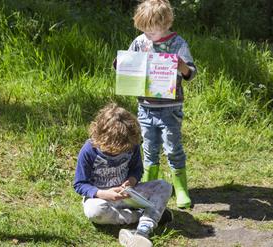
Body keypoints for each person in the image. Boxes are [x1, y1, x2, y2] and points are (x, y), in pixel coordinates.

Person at [125, 0, 197, 208]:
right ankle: (149, 185)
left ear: (166, 24)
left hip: (170, 109)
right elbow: (129, 65)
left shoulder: (178, 43)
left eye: (153, 29)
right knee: (149, 148)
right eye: (144, 29)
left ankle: (181, 188)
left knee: (173, 148)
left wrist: (182, 66)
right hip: (145, 107)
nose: (149, 34)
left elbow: (191, 73)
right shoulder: (140, 41)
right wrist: (121, 64)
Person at [74, 103, 173, 247]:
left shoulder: (131, 145)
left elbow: (137, 170)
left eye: (123, 150)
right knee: (93, 212)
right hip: (102, 199)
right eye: (115, 151)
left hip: (129, 195)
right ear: (101, 138)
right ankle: (143, 216)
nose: (120, 153)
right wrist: (103, 194)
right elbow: (79, 184)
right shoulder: (89, 150)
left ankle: (143, 230)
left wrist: (131, 181)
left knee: (164, 186)